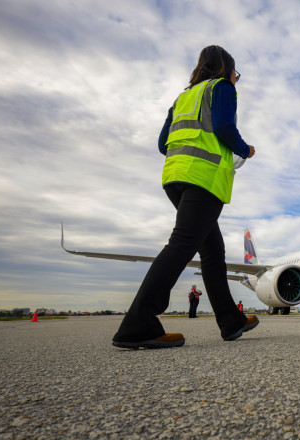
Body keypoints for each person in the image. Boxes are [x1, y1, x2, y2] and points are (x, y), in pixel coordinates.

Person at [112, 45, 259, 349]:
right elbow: (224, 128)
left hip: (174, 178)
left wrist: (185, 156)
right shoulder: (222, 88)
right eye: (236, 74)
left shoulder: (183, 98)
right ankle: (138, 323)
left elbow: (163, 143)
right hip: (202, 179)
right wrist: (245, 149)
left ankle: (230, 320)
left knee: (212, 251)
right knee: (182, 245)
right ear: (226, 69)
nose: (236, 79)